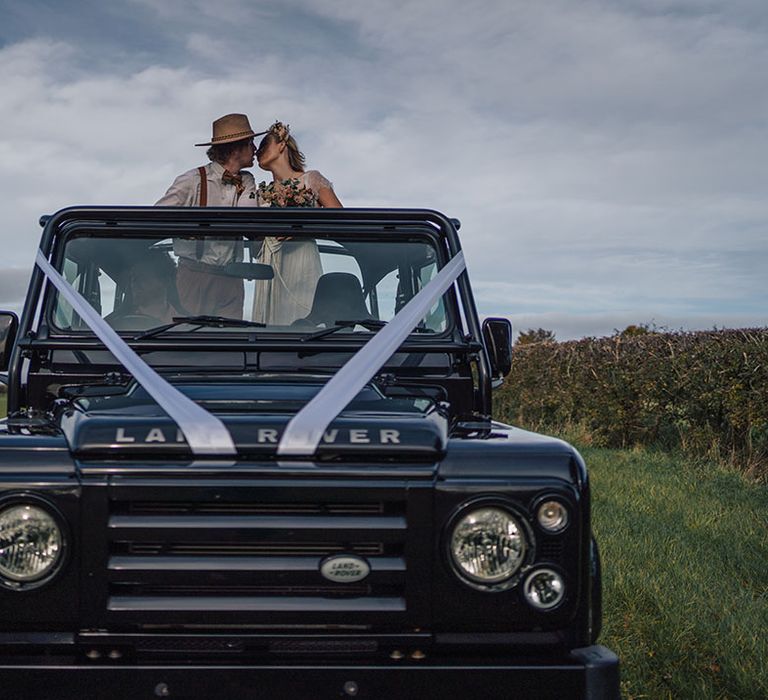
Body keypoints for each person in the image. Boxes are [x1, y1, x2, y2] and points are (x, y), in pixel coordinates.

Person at [156, 113, 263, 319]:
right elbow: (156, 218)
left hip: (233, 279)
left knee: (230, 344)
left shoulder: (247, 180)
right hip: (194, 275)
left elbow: (246, 216)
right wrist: (185, 228)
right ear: (235, 148)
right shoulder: (192, 180)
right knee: (186, 339)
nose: (255, 149)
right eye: (250, 143)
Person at [244, 121, 342, 325]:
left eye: (263, 146)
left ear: (281, 145)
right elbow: (254, 244)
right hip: (270, 263)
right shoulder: (261, 194)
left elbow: (341, 219)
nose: (257, 152)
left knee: (304, 319)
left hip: (301, 260)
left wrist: (304, 229)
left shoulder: (311, 179)